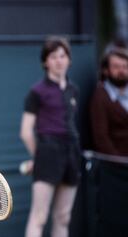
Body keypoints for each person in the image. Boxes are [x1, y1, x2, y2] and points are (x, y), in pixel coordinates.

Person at [20, 36, 80, 237]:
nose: (59, 60)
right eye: (53, 56)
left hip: (72, 153)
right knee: (39, 217)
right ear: (45, 61)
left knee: (63, 217)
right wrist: (40, 157)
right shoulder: (37, 92)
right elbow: (26, 131)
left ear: (69, 60)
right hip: (48, 152)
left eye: (63, 56)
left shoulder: (73, 90)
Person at [90, 45, 128, 237]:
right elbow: (101, 136)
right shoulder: (101, 96)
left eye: (125, 66)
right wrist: (120, 162)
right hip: (113, 172)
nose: (121, 70)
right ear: (106, 70)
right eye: (116, 66)